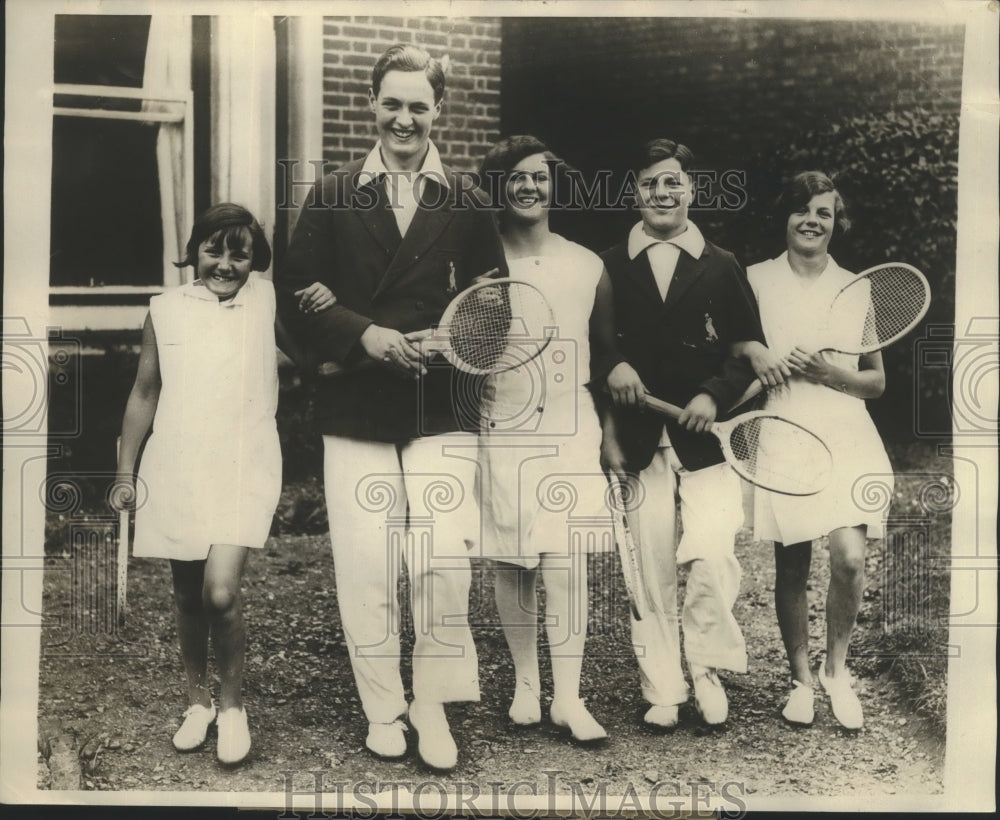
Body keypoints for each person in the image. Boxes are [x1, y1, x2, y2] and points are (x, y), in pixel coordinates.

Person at [275, 44, 507, 771]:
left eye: (419, 104)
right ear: (371, 104)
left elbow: (494, 308)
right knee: (369, 564)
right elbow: (296, 296)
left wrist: (451, 337)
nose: (404, 118)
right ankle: (384, 710)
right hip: (357, 405)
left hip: (439, 405)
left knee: (443, 560)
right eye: (392, 102)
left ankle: (433, 706)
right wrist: (368, 335)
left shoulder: (466, 202)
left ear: (440, 110)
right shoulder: (336, 193)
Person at [115, 203, 334, 765]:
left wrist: (328, 311)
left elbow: (310, 354)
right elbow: (145, 393)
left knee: (221, 591)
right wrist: (125, 471)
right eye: (214, 250)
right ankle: (198, 703)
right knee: (188, 595)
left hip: (244, 462)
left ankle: (234, 708)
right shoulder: (164, 309)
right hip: (177, 464)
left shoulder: (266, 300)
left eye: (240, 253)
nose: (225, 264)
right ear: (195, 251)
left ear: (254, 258)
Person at [600, 139, 764, 729]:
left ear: (691, 189)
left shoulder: (721, 263)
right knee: (647, 565)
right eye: (649, 183)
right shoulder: (611, 263)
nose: (662, 193)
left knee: (715, 550)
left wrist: (711, 395)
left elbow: (746, 350)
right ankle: (662, 687)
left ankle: (706, 668)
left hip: (705, 439)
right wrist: (611, 381)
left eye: (672, 182)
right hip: (639, 435)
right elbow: (600, 347)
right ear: (635, 192)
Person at [476, 136, 623, 743]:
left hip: (571, 426)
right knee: (512, 559)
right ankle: (526, 686)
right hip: (502, 421)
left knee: (566, 560)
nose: (528, 187)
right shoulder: (477, 263)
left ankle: (568, 696)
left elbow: (610, 361)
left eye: (538, 176)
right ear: (498, 187)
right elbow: (466, 350)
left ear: (553, 185)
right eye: (514, 177)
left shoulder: (588, 264)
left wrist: (612, 434)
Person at [734, 171, 893, 729]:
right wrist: (758, 364)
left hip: (847, 431)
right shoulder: (753, 280)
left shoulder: (859, 287)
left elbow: (875, 383)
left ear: (836, 222)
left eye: (823, 212)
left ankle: (836, 671)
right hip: (784, 429)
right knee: (792, 563)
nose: (811, 220)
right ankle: (800, 679)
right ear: (785, 216)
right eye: (801, 209)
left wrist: (828, 372)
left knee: (849, 558)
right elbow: (738, 355)